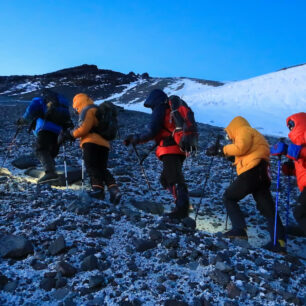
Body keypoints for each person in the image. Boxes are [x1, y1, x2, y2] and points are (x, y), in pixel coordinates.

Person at [207, 116, 286, 253]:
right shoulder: (255, 135)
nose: (229, 137)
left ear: (233, 128)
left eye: (229, 134)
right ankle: (279, 242)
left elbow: (241, 148)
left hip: (252, 173)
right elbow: (243, 154)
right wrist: (224, 154)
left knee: (229, 197)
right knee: (268, 210)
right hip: (262, 174)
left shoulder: (243, 130)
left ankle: (239, 230)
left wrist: (222, 150)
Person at [124, 89, 190, 219]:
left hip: (170, 148)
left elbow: (151, 130)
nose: (151, 109)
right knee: (165, 179)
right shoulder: (169, 110)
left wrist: (136, 138)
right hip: (178, 148)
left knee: (173, 178)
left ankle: (182, 209)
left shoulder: (161, 109)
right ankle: (181, 205)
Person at [62, 93, 121, 204]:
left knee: (91, 166)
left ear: (78, 103)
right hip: (104, 144)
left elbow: (84, 128)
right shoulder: (98, 110)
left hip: (91, 143)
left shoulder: (88, 109)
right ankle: (114, 190)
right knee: (102, 168)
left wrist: (70, 134)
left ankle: (98, 190)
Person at [17, 89, 72, 184]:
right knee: (51, 150)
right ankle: (51, 170)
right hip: (59, 131)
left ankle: (50, 173)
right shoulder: (60, 103)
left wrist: (22, 121)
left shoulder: (39, 100)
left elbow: (30, 111)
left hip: (45, 128)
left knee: (40, 149)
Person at [273, 112, 306, 236]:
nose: (290, 128)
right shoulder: (300, 143)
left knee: (300, 212)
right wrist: (292, 169)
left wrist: (297, 152)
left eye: (291, 125)